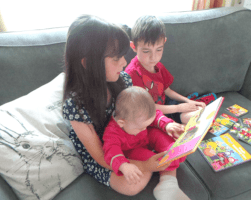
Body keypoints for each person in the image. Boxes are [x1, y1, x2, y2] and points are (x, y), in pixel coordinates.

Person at [62, 15, 171, 196]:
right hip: (107, 154)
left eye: (122, 56)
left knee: (165, 140)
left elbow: (142, 111)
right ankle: (147, 162)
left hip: (128, 137)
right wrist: (144, 165)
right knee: (130, 186)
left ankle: (161, 174)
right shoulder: (76, 105)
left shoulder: (123, 80)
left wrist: (166, 123)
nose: (125, 62)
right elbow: (99, 156)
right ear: (88, 63)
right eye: (116, 59)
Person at [103, 86, 190, 200]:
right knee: (155, 160)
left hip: (147, 138)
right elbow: (111, 150)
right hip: (132, 150)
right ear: (121, 123)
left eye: (146, 125)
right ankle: (168, 170)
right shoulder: (112, 132)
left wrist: (167, 125)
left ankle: (175, 151)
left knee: (160, 134)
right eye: (140, 128)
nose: (144, 129)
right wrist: (123, 165)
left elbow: (156, 116)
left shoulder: (139, 119)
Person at [125, 15, 206, 125]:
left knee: (201, 114)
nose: (153, 57)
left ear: (164, 42)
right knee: (190, 122)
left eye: (159, 49)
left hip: (167, 106)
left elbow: (167, 90)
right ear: (133, 46)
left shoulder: (158, 66)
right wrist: (179, 108)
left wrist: (188, 101)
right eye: (146, 51)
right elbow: (145, 108)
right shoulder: (132, 74)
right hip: (149, 115)